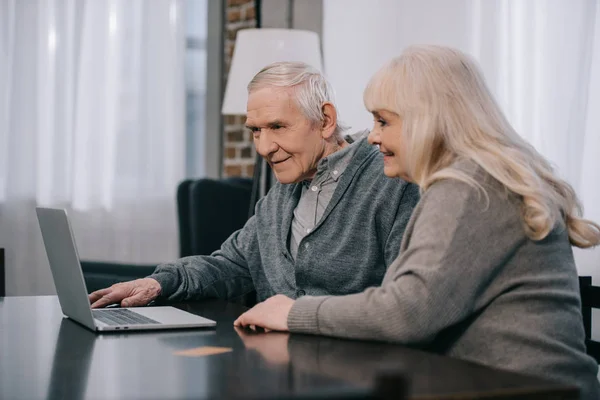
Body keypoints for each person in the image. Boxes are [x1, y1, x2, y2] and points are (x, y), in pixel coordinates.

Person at [233, 46, 600, 399]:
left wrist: (292, 312)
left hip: (525, 391)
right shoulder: (472, 181)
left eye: (383, 121)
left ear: (429, 121)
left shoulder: (468, 187)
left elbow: (405, 313)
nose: (372, 136)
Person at [88, 61, 420, 309]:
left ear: (325, 120)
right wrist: (157, 283)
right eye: (256, 130)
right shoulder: (283, 192)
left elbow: (400, 305)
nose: (263, 147)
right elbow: (233, 264)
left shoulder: (393, 181)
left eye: (277, 126)